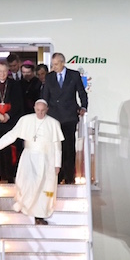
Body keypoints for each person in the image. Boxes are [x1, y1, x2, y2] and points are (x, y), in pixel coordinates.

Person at [0, 99, 64, 225]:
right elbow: (13, 134)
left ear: (47, 109)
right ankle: (24, 205)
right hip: (29, 157)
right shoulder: (25, 120)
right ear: (34, 109)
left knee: (42, 187)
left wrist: (57, 164)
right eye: (37, 110)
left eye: (43, 111)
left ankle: (39, 215)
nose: (40, 113)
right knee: (26, 183)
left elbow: (57, 146)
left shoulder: (53, 123)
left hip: (47, 158)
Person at [41, 52, 88, 184]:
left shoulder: (74, 75)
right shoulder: (49, 77)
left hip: (69, 117)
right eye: (52, 64)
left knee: (68, 147)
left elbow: (82, 93)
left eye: (56, 64)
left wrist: (83, 107)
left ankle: (69, 177)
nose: (54, 67)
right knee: (55, 147)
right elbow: (45, 95)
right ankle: (57, 176)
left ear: (63, 63)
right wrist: (43, 110)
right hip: (54, 117)